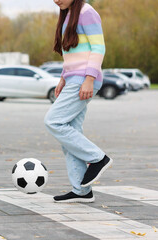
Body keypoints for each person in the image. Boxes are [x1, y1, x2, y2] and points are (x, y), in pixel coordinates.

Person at [44, 0, 112, 203]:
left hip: (84, 80)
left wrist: (89, 79)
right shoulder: (68, 14)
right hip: (74, 79)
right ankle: (81, 191)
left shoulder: (87, 11)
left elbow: (98, 48)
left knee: (53, 121)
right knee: (71, 133)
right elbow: (73, 53)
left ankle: (98, 158)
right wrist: (63, 78)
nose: (56, 0)